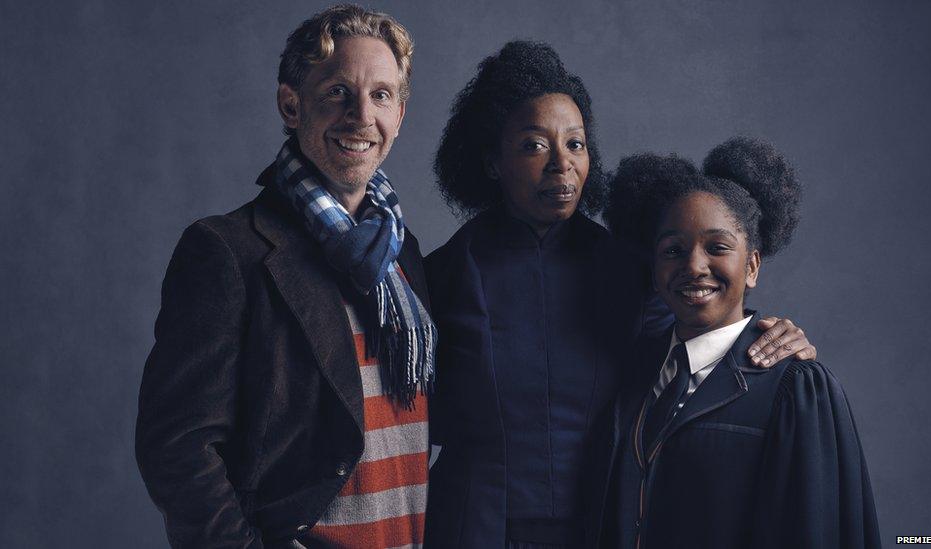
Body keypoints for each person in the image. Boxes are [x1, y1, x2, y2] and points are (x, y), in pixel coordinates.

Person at [424, 41, 817, 549]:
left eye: (575, 144)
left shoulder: (632, 269)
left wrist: (775, 345)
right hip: (467, 529)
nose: (561, 166)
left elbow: (696, 358)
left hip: (606, 525)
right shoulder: (441, 274)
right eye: (533, 145)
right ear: (491, 161)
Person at [135, 6, 434, 548]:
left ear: (401, 114)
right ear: (291, 104)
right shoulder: (227, 251)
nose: (361, 115)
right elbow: (176, 446)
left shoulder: (402, 254)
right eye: (339, 91)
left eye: (381, 95)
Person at [590, 138, 881, 548]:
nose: (694, 266)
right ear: (654, 270)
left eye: (717, 247)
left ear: (752, 265)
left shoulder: (794, 388)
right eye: (673, 250)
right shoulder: (633, 375)